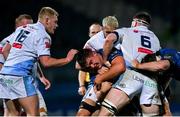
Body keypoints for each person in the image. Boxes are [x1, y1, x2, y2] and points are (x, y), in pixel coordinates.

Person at [0, 7, 77, 116]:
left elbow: (5, 50)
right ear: (47, 20)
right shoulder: (43, 35)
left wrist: (13, 66)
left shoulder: (22, 28)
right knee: (34, 114)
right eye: (55, 22)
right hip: (20, 77)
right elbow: (46, 62)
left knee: (13, 113)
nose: (57, 25)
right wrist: (67, 59)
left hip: (5, 75)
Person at [95, 11, 162, 116]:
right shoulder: (156, 39)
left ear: (135, 22)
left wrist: (104, 60)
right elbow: (159, 60)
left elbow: (109, 39)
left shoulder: (126, 31)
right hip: (151, 81)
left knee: (105, 113)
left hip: (132, 76)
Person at [1, 14, 51, 116]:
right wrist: (14, 73)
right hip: (17, 81)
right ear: (17, 26)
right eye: (26, 25)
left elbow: (34, 58)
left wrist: (41, 76)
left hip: (26, 82)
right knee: (34, 113)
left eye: (31, 25)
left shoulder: (29, 39)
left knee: (15, 113)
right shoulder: (5, 43)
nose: (30, 28)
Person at [76, 16, 119, 116]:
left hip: (118, 80)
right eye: (108, 32)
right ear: (103, 29)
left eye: (114, 31)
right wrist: (97, 70)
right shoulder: (92, 43)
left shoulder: (121, 36)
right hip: (97, 81)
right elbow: (78, 65)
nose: (111, 35)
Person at [76, 48, 125, 116]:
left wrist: (101, 78)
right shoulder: (89, 48)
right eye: (89, 66)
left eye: (91, 62)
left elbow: (121, 67)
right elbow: (77, 66)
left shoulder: (108, 50)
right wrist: (82, 85)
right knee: (81, 115)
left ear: (94, 53)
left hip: (116, 86)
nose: (93, 66)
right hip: (95, 86)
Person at [131, 48, 180, 116]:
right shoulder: (172, 64)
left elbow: (162, 65)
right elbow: (167, 73)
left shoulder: (173, 56)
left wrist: (138, 65)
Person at [78, 23, 102, 96]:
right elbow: (81, 68)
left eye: (98, 32)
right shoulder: (87, 48)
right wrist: (82, 86)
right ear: (89, 34)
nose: (95, 34)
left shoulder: (108, 45)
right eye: (93, 32)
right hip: (92, 82)